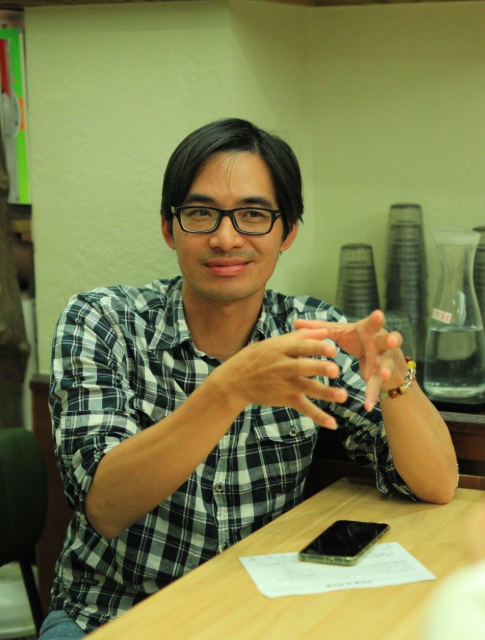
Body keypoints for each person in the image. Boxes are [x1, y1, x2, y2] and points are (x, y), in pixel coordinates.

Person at [40, 118, 458, 638]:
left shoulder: (308, 330)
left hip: (254, 617)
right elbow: (105, 505)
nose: (225, 238)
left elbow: (437, 485)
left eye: (253, 215)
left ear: (288, 232)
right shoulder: (101, 321)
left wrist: (395, 375)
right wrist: (231, 387)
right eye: (201, 213)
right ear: (169, 228)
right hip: (110, 614)